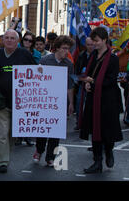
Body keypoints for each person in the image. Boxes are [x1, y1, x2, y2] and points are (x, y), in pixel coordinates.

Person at [0, 29, 37, 173]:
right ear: (3, 40)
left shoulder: (25, 54)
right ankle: (3, 162)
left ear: (18, 41)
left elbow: (36, 74)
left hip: (20, 102)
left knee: (12, 134)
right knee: (3, 133)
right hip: (1, 102)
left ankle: (6, 155)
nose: (9, 40)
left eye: (12, 38)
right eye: (6, 38)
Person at [79, 27, 123, 174]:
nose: (95, 44)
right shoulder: (93, 57)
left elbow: (111, 79)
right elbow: (87, 74)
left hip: (108, 99)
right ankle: (97, 161)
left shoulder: (113, 58)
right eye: (93, 41)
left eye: (97, 41)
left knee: (107, 130)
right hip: (93, 98)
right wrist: (86, 82)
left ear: (104, 40)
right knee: (94, 129)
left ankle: (109, 151)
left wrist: (94, 82)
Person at [33, 35, 75, 167]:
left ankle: (50, 157)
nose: (66, 51)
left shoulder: (68, 64)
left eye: (68, 49)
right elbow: (36, 80)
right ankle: (39, 150)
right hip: (45, 100)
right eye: (64, 48)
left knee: (55, 130)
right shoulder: (45, 60)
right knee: (43, 128)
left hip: (60, 102)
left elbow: (70, 85)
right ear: (57, 48)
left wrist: (71, 103)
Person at [73, 37, 95, 130]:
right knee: (79, 103)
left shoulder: (97, 55)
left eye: (91, 44)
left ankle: (91, 123)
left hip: (93, 83)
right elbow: (77, 70)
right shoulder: (81, 55)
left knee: (92, 104)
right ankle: (79, 122)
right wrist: (81, 79)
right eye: (88, 45)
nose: (90, 47)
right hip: (82, 82)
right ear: (85, 45)